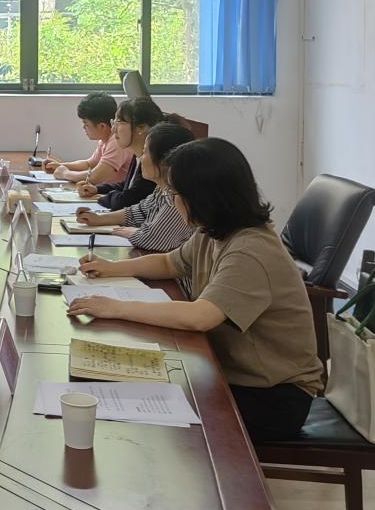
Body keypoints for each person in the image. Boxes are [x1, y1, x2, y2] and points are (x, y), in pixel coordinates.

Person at [73, 138, 324, 443]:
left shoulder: (251, 249)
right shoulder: (214, 230)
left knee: (148, 416)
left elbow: (200, 317)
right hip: (233, 373)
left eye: (176, 195)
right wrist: (112, 268)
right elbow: (170, 263)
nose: (173, 202)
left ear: (201, 197)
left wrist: (115, 307)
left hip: (273, 396)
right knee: (120, 385)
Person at [73, 121, 195, 252]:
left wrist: (131, 232)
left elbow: (153, 240)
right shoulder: (162, 189)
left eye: (145, 152)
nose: (141, 158)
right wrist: (99, 219)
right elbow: (139, 211)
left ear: (164, 161)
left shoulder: (179, 197)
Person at [78, 97, 165, 209]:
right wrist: (97, 189)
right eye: (113, 122)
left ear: (141, 127)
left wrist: (102, 198)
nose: (113, 129)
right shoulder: (137, 155)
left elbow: (128, 200)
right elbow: (127, 185)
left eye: (119, 122)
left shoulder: (153, 160)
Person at [41, 92, 132, 185]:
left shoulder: (117, 142)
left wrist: (65, 173)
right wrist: (59, 166)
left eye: (86, 124)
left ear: (102, 126)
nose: (83, 127)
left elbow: (95, 177)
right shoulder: (105, 139)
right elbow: (89, 164)